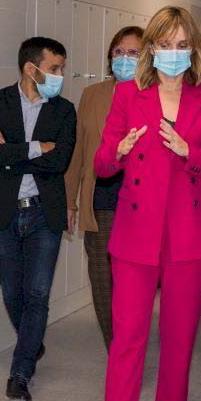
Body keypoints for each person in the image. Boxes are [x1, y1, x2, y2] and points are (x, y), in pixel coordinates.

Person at [87, 7, 201, 401]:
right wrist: (119, 150)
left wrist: (191, 152)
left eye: (181, 44)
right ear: (151, 48)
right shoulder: (129, 93)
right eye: (165, 44)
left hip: (190, 234)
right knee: (127, 335)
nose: (173, 53)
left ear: (194, 49)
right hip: (136, 233)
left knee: (178, 334)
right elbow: (103, 163)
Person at [0, 37, 76, 401]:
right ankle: (32, 342)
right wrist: (36, 148)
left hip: (43, 213)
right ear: (31, 68)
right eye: (54, 68)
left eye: (61, 68)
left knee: (37, 294)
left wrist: (11, 151)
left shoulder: (64, 110)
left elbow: (60, 161)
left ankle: (20, 372)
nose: (60, 75)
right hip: (3, 211)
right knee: (10, 291)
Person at [65, 26, 144, 350]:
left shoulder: (157, 95)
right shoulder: (93, 94)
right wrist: (70, 200)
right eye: (118, 52)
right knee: (102, 277)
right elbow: (79, 150)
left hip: (141, 201)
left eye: (133, 53)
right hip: (101, 197)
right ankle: (117, 349)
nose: (124, 58)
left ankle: (130, 343)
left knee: (134, 282)